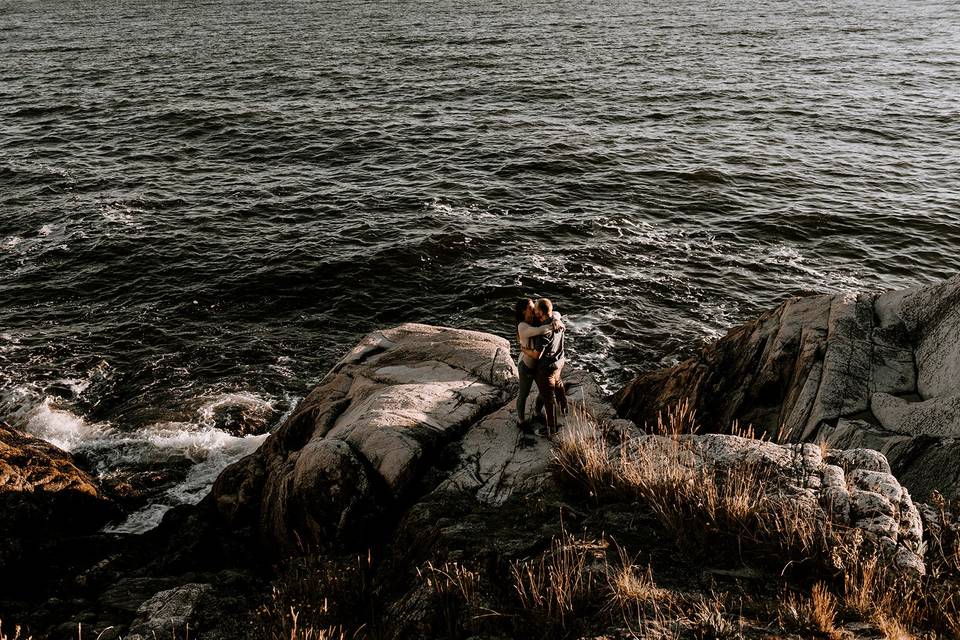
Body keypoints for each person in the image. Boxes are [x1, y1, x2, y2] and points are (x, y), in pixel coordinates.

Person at [514, 298, 563, 431]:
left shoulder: (535, 319)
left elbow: (555, 312)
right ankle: (521, 421)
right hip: (526, 366)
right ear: (524, 311)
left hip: (538, 364)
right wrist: (555, 323)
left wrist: (556, 319)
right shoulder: (522, 326)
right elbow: (541, 330)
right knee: (523, 394)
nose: (535, 310)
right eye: (531, 308)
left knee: (544, 391)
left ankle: (536, 413)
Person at [532, 297, 568, 434]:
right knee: (558, 383)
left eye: (536, 310)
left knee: (548, 398)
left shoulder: (544, 332)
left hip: (547, 368)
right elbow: (556, 313)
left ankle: (551, 428)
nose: (534, 312)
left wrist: (524, 350)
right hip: (559, 361)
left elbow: (537, 355)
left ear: (540, 312)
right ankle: (564, 408)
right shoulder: (558, 322)